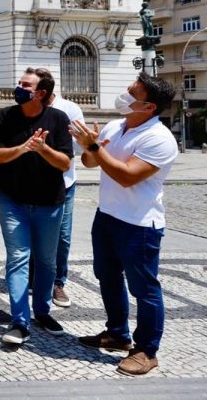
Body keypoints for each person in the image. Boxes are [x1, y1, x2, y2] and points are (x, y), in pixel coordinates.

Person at [70, 73, 177, 377]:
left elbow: (127, 175)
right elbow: (92, 163)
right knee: (107, 276)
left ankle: (147, 350)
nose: (126, 94)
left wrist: (95, 147)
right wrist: (89, 146)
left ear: (149, 106)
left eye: (133, 92)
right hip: (108, 216)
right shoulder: (116, 126)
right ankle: (117, 333)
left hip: (140, 223)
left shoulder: (159, 139)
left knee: (144, 288)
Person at [0, 67, 73, 346]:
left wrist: (43, 149)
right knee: (18, 258)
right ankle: (19, 322)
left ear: (41, 93)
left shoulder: (58, 119)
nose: (19, 87)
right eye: (20, 83)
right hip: (11, 200)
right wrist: (23, 148)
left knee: (47, 261)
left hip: (49, 202)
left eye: (25, 84)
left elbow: (65, 163)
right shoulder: (6, 116)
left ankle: (43, 312)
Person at [27, 76, 85, 308]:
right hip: (32, 182)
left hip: (63, 183)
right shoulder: (25, 110)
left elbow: (79, 147)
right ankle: (34, 279)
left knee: (61, 236)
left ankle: (57, 282)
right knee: (30, 235)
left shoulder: (69, 109)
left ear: (43, 91)